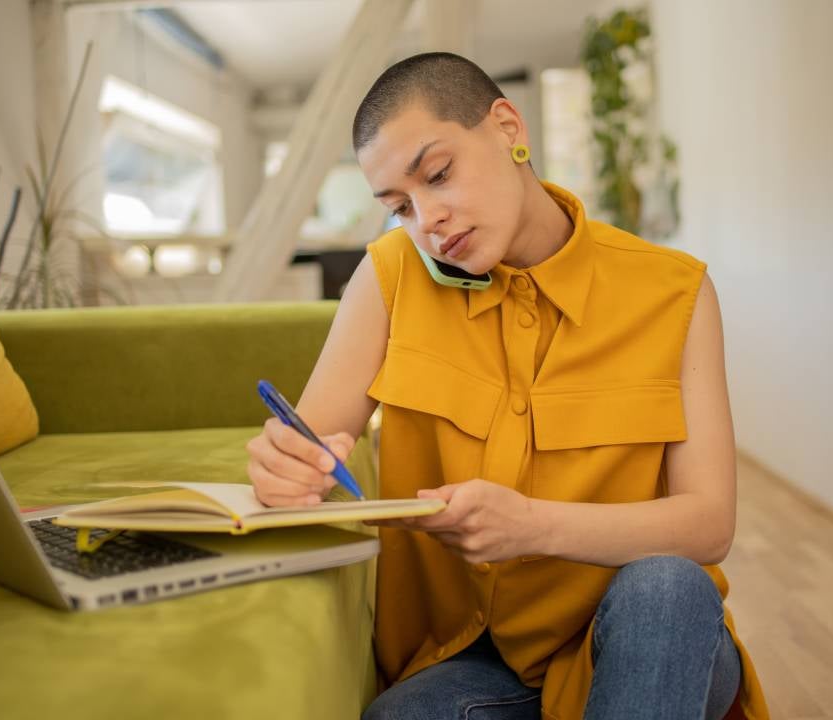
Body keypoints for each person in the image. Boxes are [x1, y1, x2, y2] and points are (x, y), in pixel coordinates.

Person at [245, 52, 769, 720]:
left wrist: (531, 526)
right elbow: (310, 446)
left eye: (438, 174)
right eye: (399, 206)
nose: (427, 219)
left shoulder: (675, 293)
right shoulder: (389, 279)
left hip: (645, 642)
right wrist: (285, 473)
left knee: (668, 588)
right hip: (471, 664)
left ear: (506, 128)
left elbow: (708, 524)